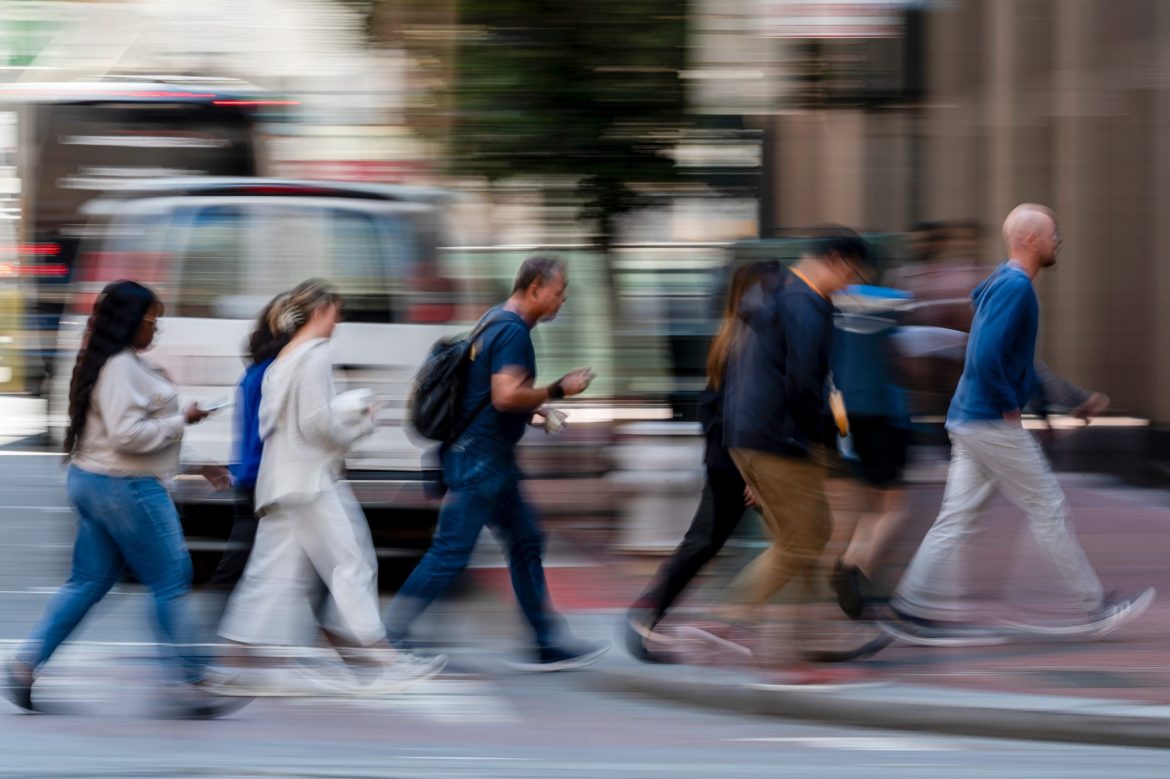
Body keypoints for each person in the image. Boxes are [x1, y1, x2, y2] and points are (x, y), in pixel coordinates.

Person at [890, 204, 1154, 637]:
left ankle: (910, 609)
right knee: (1047, 507)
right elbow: (987, 355)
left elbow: (1023, 363)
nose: (1059, 242)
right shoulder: (1016, 288)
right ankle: (1091, 608)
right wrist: (1009, 405)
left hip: (969, 418)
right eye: (1054, 234)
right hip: (989, 420)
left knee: (957, 518)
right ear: (1031, 240)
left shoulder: (1002, 283)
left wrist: (1071, 402)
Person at [3, 280, 243, 717]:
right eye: (153, 319)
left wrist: (198, 460)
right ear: (131, 320)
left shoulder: (113, 363)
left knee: (88, 582)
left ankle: (24, 665)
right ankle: (197, 682)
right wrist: (181, 418)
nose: (157, 328)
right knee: (171, 580)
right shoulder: (120, 368)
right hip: (125, 486)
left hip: (97, 482)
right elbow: (129, 436)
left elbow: (134, 436)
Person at [384, 255, 609, 671]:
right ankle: (391, 638)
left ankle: (544, 641)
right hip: (479, 462)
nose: (562, 301)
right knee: (451, 552)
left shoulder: (494, 319)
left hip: (489, 460)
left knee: (526, 541)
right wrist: (559, 390)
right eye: (559, 293)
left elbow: (486, 397)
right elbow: (505, 395)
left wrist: (536, 413)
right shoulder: (512, 332)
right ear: (536, 288)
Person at [217, 279, 444, 692]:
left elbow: (278, 424)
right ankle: (383, 660)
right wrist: (360, 425)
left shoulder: (283, 358)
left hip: (279, 483)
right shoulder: (316, 354)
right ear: (320, 312)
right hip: (313, 481)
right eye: (336, 314)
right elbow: (317, 424)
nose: (338, 324)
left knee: (269, 575)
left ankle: (229, 661)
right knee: (352, 561)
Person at [721, 228, 869, 661]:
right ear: (837, 260)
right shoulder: (806, 304)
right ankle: (730, 618)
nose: (852, 284)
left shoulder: (778, 295)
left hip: (751, 436)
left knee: (805, 536)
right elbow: (805, 382)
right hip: (778, 439)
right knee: (802, 542)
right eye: (853, 273)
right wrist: (824, 440)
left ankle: (805, 637)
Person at [624, 262, 778, 661]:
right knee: (785, 540)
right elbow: (741, 416)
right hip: (737, 464)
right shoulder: (749, 343)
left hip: (726, 461)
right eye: (774, 286)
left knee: (714, 543)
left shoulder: (730, 337)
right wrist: (752, 473)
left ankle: (730, 619)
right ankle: (658, 617)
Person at [207, 293, 291, 590]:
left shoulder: (255, 369)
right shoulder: (276, 372)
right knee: (244, 553)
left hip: (248, 471)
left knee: (249, 551)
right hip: (262, 473)